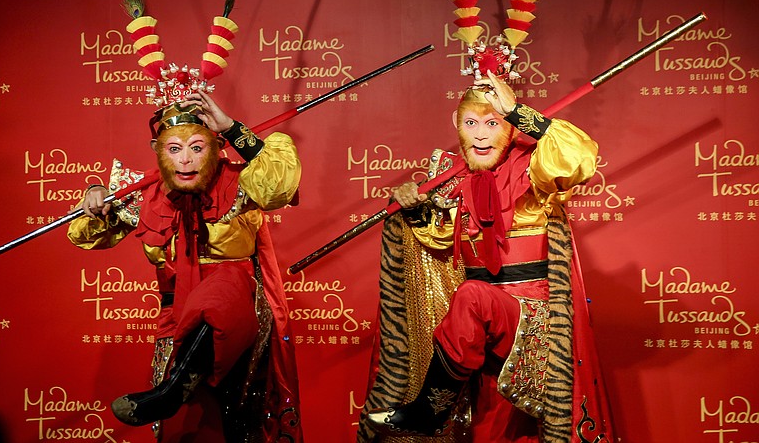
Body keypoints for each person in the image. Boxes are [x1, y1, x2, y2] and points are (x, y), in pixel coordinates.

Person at [357, 69, 615, 442]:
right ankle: (437, 406)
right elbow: (436, 239)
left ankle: (430, 410)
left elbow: (578, 158)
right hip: (477, 331)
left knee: (473, 295)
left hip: (532, 318)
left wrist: (519, 111)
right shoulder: (450, 177)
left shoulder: (534, 168)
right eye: (471, 122)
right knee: (491, 432)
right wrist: (412, 206)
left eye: (492, 123)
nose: (480, 134)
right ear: (456, 124)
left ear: (509, 125)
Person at [68, 86, 303, 441]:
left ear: (215, 146)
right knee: (188, 430)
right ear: (158, 152)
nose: (185, 161)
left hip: (238, 313)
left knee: (224, 298)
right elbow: (84, 234)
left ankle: (173, 390)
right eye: (174, 150)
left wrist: (230, 127)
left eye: (197, 148)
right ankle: (176, 388)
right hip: (176, 314)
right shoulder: (146, 194)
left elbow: (278, 188)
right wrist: (95, 196)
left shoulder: (241, 181)